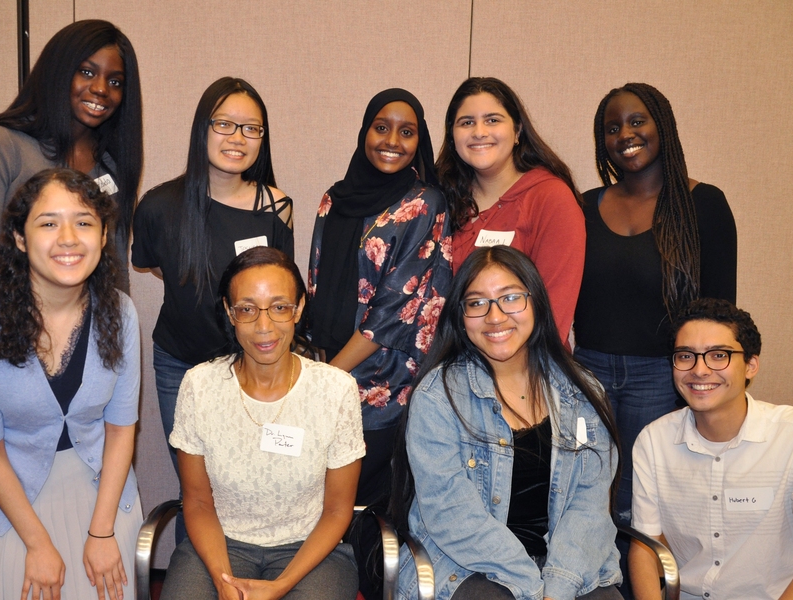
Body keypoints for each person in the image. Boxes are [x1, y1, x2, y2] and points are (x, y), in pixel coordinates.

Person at [393, 245, 622, 600]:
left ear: (536, 303)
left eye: (511, 298)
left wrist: (557, 585)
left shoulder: (582, 392)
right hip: (467, 565)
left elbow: (590, 506)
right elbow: (451, 513)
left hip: (570, 561)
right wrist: (532, 587)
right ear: (461, 314)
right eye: (477, 302)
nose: (495, 316)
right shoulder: (438, 396)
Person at [0, 168, 142, 600]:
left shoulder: (121, 313)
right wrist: (38, 544)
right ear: (20, 238)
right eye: (48, 223)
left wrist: (100, 533)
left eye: (83, 222)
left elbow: (120, 432)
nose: (69, 238)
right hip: (14, 502)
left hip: (103, 496)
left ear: (103, 233)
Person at [573, 83, 737, 542]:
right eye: (611, 127)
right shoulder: (584, 206)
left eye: (636, 120)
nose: (625, 133)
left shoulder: (704, 204)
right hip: (587, 373)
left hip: (660, 378)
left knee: (635, 504)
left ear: (662, 126)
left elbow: (723, 312)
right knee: (585, 498)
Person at [132, 77, 292, 541]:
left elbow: (279, 289)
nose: (237, 138)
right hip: (179, 365)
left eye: (251, 129)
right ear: (202, 128)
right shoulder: (159, 205)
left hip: (254, 368)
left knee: (251, 484)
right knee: (196, 489)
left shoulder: (276, 207)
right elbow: (159, 269)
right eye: (225, 124)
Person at [159, 247, 364, 600]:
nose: (264, 326)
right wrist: (224, 581)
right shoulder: (200, 385)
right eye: (248, 309)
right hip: (220, 545)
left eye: (280, 307)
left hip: (310, 552)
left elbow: (337, 509)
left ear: (299, 308)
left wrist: (281, 586)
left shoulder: (335, 389)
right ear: (230, 312)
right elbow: (197, 502)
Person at [307, 88, 451, 507]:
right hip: (328, 370)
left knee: (359, 505)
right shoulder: (334, 199)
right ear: (364, 132)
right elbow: (317, 285)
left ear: (419, 141)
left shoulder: (425, 204)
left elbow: (395, 311)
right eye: (381, 127)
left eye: (406, 132)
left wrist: (326, 380)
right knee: (317, 499)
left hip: (381, 384)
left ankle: (365, 575)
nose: (392, 141)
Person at [630, 298, 793, 600]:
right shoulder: (654, 442)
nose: (700, 370)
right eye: (686, 356)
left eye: (719, 355)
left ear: (751, 365)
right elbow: (645, 549)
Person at [0, 20, 142, 299]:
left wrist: (114, 332)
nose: (101, 89)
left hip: (89, 330)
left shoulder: (112, 165)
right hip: (14, 326)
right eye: (87, 72)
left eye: (115, 81)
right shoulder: (3, 145)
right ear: (58, 72)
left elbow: (116, 271)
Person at [436, 77, 584, 348]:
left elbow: (554, 314)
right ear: (452, 136)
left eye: (493, 120)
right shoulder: (441, 199)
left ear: (517, 132)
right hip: (446, 371)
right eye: (467, 122)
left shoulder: (550, 199)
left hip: (524, 374)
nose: (479, 132)